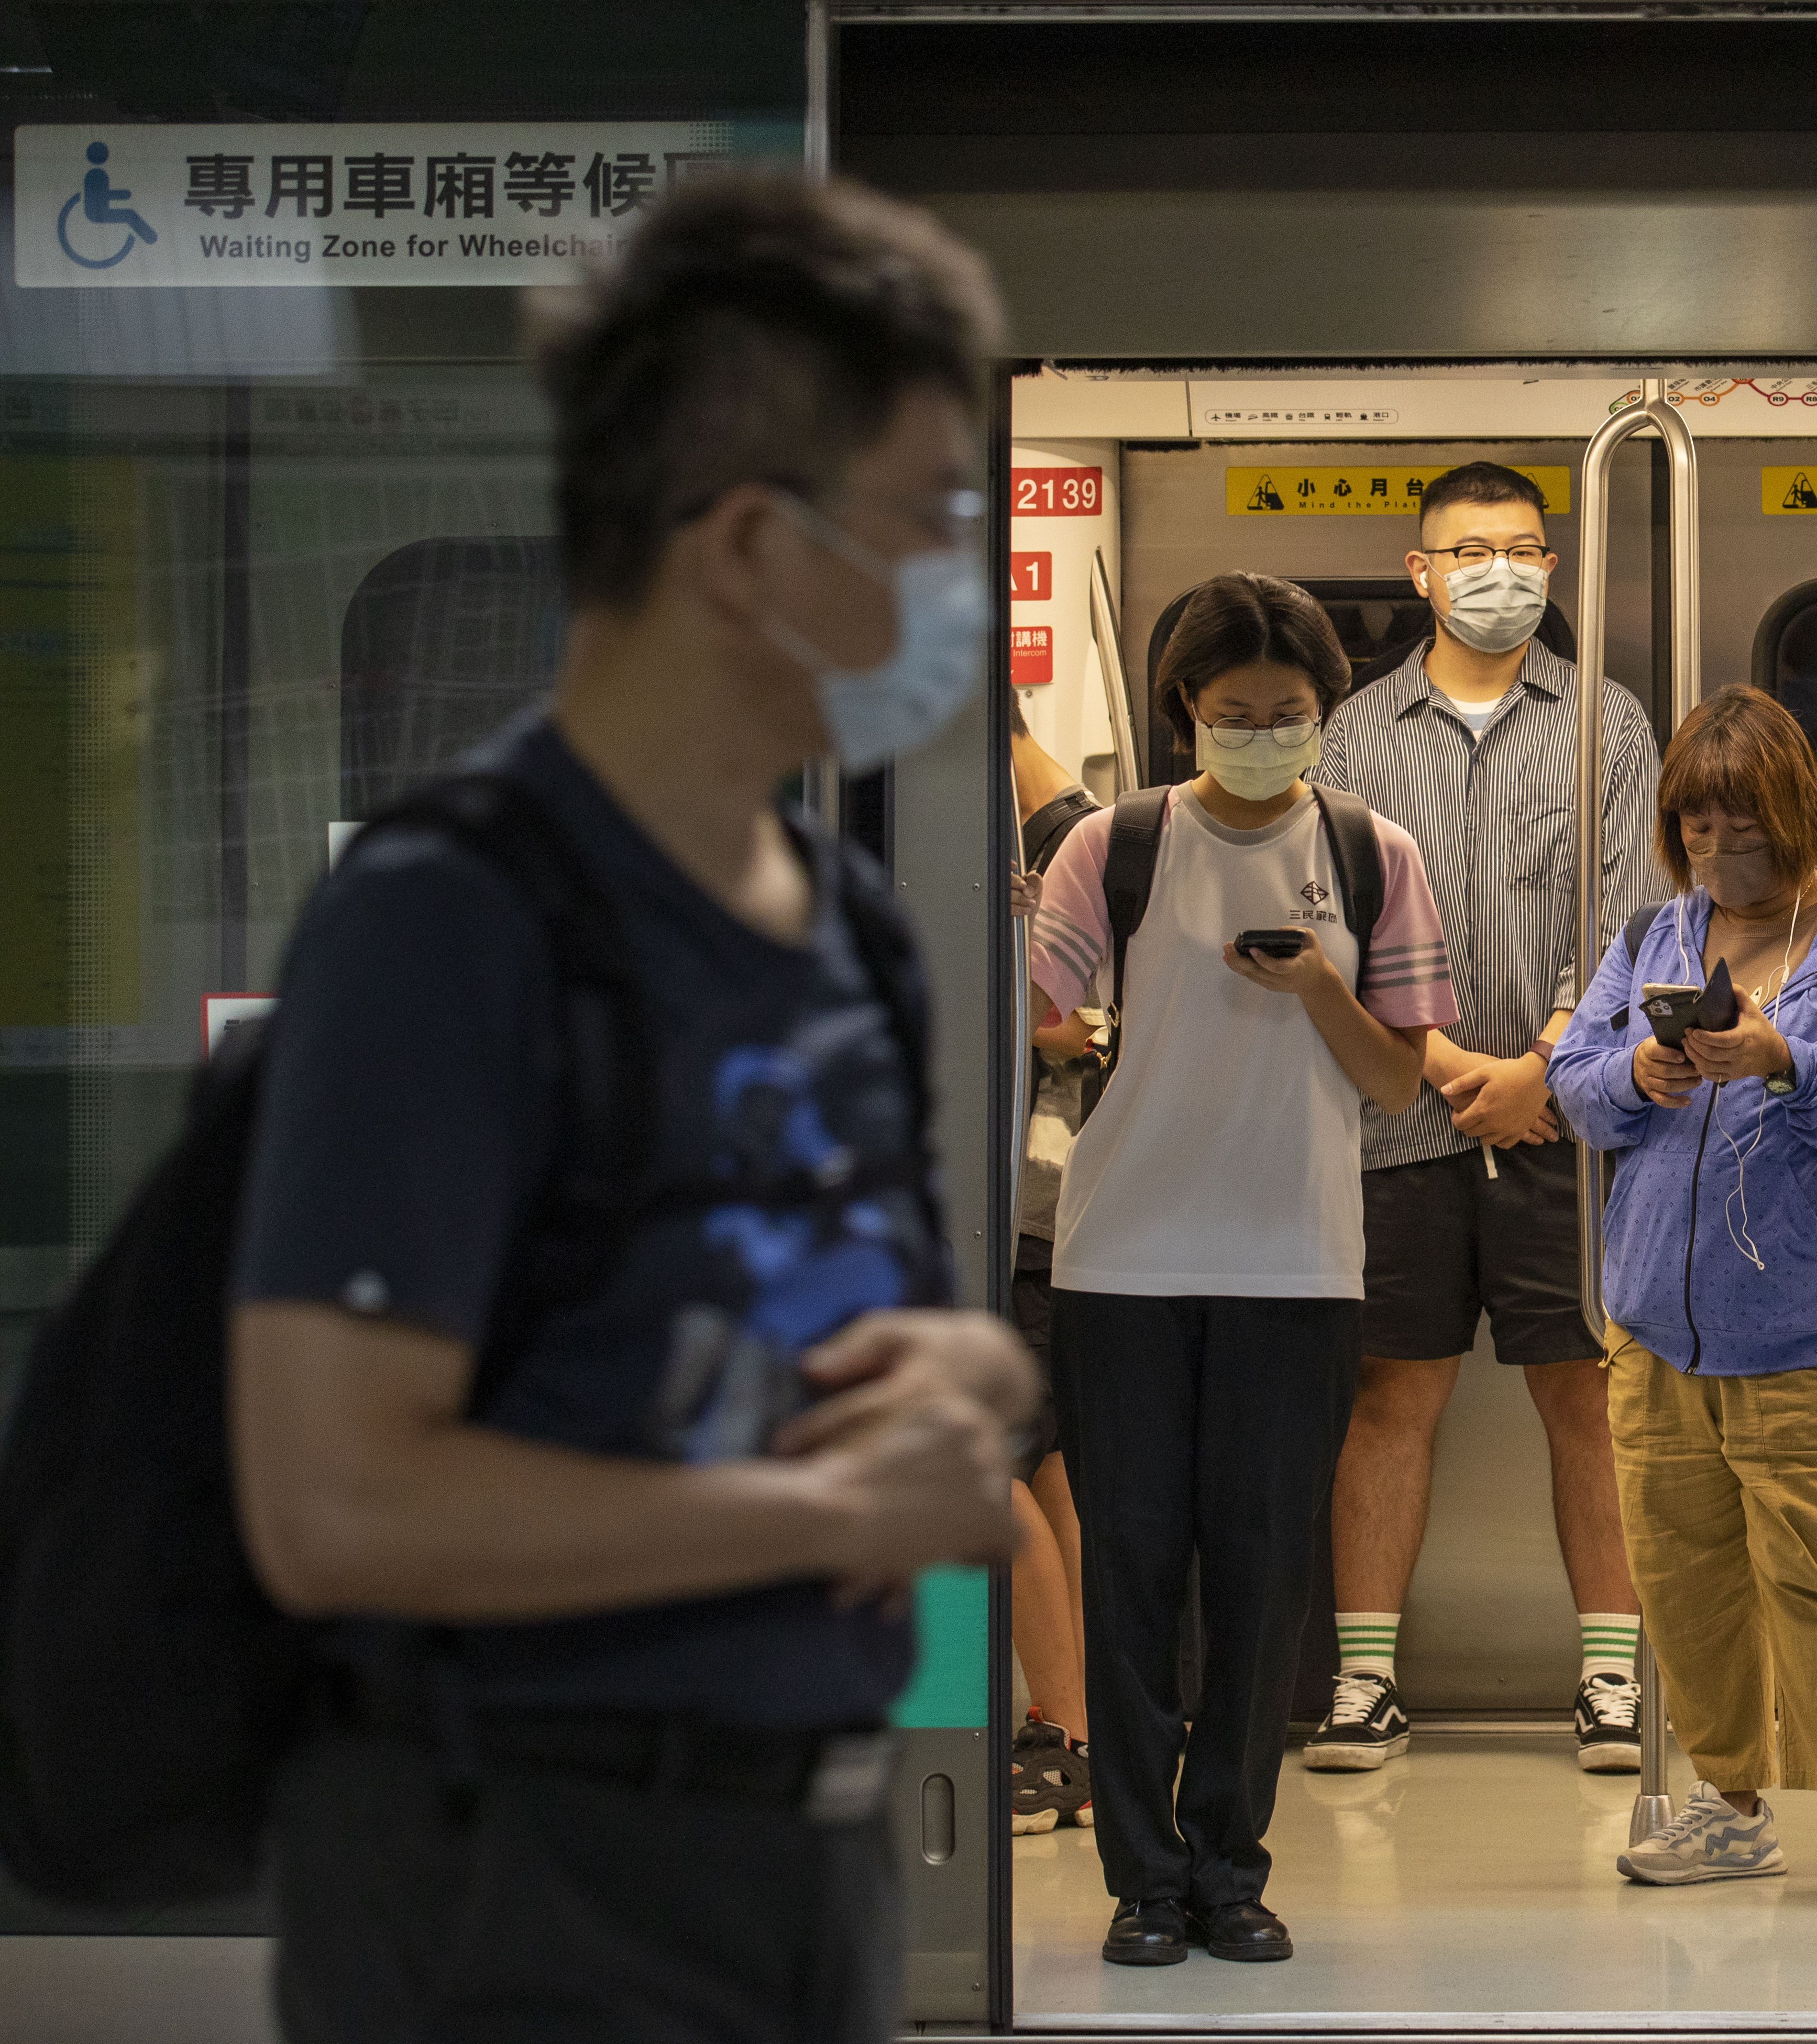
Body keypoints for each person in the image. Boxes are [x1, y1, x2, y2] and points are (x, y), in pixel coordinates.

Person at [227, 174, 1034, 2042]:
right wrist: (820, 1501)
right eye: (930, 521)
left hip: (803, 1860)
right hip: (522, 1869)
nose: (958, 580)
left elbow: (869, 1322)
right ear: (750, 546)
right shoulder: (453, 921)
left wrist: (970, 1380)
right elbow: (337, 1502)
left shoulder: (843, 919)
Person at [1024, 572, 1458, 1968]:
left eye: (1286, 714)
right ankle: (1142, 1878)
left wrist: (1316, 981)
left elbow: (1401, 1078)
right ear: (1185, 716)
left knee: (1268, 1587)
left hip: (1298, 1259)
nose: (1262, 735)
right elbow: (1039, 1018)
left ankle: (1232, 1866)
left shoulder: (1374, 850)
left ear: (1324, 713)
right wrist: (1069, 1013)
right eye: (1233, 715)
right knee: (1135, 1575)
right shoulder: (1117, 844)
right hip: (1124, 1259)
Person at [1547, 686, 1817, 1912]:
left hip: (1806, 1332)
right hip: (1654, 1328)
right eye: (1700, 828)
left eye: (1746, 828)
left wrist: (1785, 1059)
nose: (1723, 852)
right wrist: (1638, 1071)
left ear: (1799, 818)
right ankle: (1730, 1804)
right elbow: (1572, 1082)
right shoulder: (1651, 939)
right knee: (1685, 1577)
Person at [1302, 461, 1662, 1777]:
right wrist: (1444, 1058)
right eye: (1468, 550)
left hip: (1563, 1119)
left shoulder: (1607, 725)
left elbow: (1635, 913)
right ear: (1420, 572)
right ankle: (1365, 1681)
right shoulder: (1347, 733)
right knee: (1389, 1390)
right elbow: (1333, 916)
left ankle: (1613, 1683)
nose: (1495, 572)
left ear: (1553, 569)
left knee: (1589, 1389)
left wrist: (1545, 1065)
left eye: (1520, 549)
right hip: (1397, 1118)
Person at [1005, 684, 1103, 1835]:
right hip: (1049, 1204)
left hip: (1022, 1192)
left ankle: (1063, 1723)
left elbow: (1076, 1021)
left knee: (1004, 1472)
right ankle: (1078, 1725)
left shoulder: (1064, 841)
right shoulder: (1069, 834)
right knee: (1049, 1468)